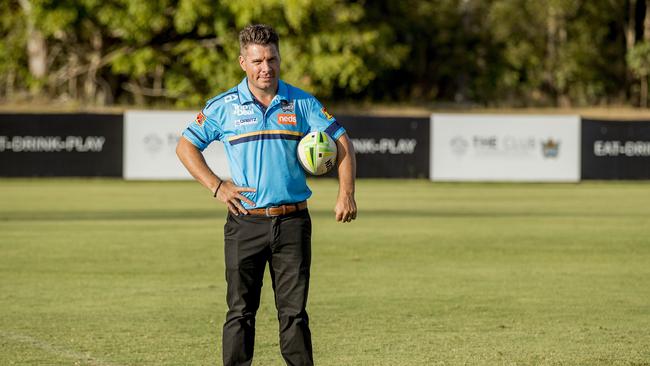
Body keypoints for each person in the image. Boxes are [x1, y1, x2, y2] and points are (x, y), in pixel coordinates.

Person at [175, 24, 357, 366]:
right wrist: (217, 186)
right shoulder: (224, 106)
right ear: (243, 61)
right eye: (257, 60)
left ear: (279, 58)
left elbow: (343, 143)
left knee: (294, 314)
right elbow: (185, 146)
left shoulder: (302, 102)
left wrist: (346, 193)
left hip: (292, 223)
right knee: (240, 312)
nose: (266, 67)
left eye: (271, 58)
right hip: (245, 223)